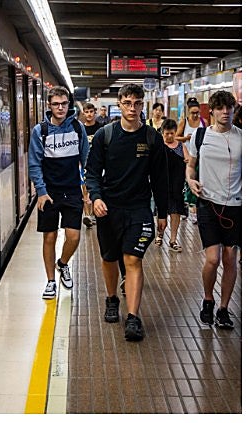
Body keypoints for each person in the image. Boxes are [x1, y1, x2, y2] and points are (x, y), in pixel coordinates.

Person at [86, 83, 169, 341]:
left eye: (137, 103)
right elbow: (91, 173)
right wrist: (96, 198)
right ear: (120, 104)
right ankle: (112, 299)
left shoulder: (151, 138)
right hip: (109, 208)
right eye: (127, 103)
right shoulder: (105, 135)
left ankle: (133, 317)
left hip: (139, 209)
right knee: (110, 258)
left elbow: (160, 179)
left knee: (133, 259)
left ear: (142, 105)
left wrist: (162, 214)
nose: (132, 108)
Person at [185, 89, 243, 330]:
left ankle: (223, 308)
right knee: (213, 258)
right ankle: (208, 298)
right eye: (220, 108)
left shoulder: (244, 138)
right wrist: (190, 180)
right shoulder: (200, 136)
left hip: (236, 206)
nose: (225, 112)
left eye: (229, 108)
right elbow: (191, 167)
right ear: (213, 111)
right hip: (208, 204)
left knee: (231, 260)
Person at [27, 86, 90, 300]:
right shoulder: (40, 131)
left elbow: (86, 159)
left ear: (69, 104)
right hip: (50, 192)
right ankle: (51, 281)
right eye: (56, 104)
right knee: (50, 237)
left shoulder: (77, 128)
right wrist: (41, 192)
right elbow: (34, 165)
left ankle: (62, 264)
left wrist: (88, 188)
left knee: (74, 236)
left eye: (64, 103)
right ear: (49, 106)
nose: (60, 107)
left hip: (72, 191)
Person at [159, 118, 186, 251]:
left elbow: (188, 163)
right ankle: (160, 234)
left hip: (177, 186)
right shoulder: (158, 147)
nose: (169, 136)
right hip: (161, 185)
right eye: (166, 133)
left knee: (176, 212)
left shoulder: (181, 147)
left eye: (172, 133)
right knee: (160, 211)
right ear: (162, 133)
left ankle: (173, 239)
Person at [78, 102, 100, 228]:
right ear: (84, 113)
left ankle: (95, 213)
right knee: (85, 190)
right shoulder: (81, 129)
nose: (89, 114)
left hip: (98, 164)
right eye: (87, 112)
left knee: (96, 189)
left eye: (91, 111)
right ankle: (87, 216)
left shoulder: (101, 128)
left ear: (94, 112)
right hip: (84, 164)